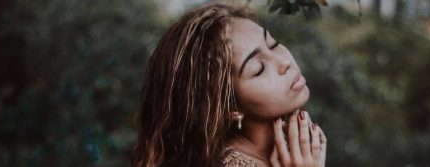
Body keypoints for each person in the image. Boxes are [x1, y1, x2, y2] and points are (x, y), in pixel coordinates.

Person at [131, 3, 327, 167]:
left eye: (273, 44)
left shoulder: (289, 149)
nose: (283, 62)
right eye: (258, 68)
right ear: (229, 108)